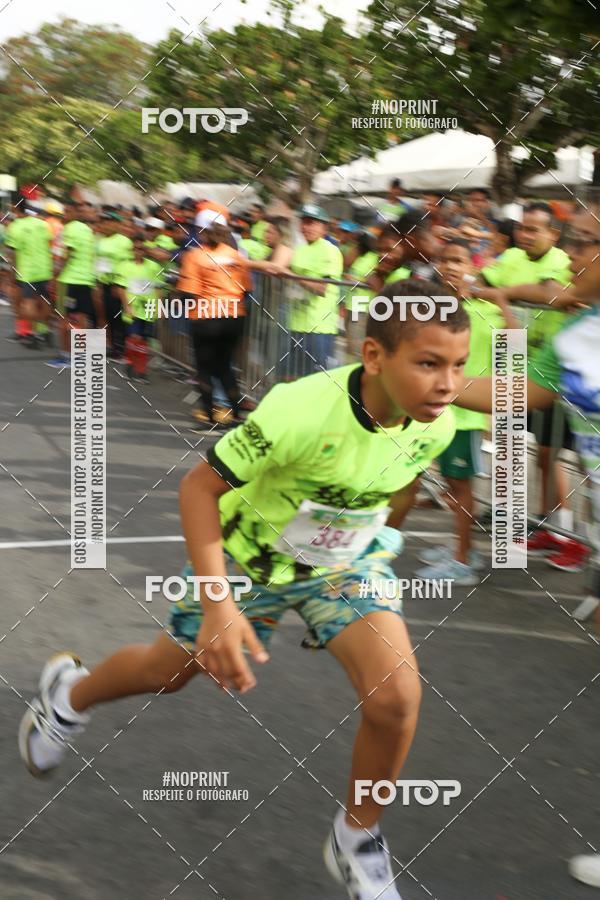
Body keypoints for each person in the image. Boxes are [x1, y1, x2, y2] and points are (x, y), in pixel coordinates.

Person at [19, 278, 472, 900]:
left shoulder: (436, 421)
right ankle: (68, 697)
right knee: (166, 673)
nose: (447, 384)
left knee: (396, 698)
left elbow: (400, 479)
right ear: (373, 356)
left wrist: (381, 543)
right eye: (429, 364)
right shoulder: (298, 409)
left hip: (344, 566)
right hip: (247, 563)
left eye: (459, 366)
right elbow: (197, 489)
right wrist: (218, 605)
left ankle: (357, 836)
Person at [477, 201, 589, 570]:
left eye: (533, 229)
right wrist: (503, 294)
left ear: (552, 233)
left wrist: (505, 295)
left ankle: (571, 538)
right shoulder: (512, 256)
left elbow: (555, 292)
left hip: (556, 376)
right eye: (521, 228)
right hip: (526, 364)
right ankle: (550, 527)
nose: (524, 235)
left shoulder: (562, 263)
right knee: (538, 454)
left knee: (564, 459)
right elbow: (481, 284)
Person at [414, 239, 517, 585]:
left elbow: (513, 345)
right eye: (445, 260)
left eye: (458, 261)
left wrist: (500, 300)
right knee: (446, 482)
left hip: (466, 415)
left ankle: (463, 560)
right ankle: (462, 548)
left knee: (460, 486)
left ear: (471, 267)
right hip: (433, 407)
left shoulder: (484, 311)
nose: (450, 266)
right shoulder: (433, 306)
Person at [177, 214, 251, 428]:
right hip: (234, 316)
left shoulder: (195, 256)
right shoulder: (237, 256)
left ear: (203, 233)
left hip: (206, 316)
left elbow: (188, 293)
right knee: (225, 366)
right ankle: (236, 416)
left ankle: (209, 417)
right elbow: (246, 290)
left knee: (204, 369)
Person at [284, 204, 344, 376]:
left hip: (319, 327)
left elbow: (321, 288)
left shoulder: (330, 251)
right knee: (293, 376)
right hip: (295, 323)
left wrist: (292, 276)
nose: (306, 227)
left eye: (312, 223)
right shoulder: (300, 249)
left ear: (324, 227)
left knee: (317, 379)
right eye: (304, 222)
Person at [46, 201, 97, 369]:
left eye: (67, 211)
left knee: (63, 319)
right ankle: (79, 357)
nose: (64, 214)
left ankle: (66, 356)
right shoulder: (87, 230)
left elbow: (65, 256)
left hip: (69, 280)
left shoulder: (69, 229)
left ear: (75, 212)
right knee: (81, 320)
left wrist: (54, 277)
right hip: (85, 280)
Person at [4, 203, 52, 348]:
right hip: (44, 270)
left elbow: (12, 254)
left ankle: (33, 335)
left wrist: (12, 274)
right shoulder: (42, 224)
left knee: (28, 304)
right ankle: (45, 332)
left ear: (15, 208)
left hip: (27, 272)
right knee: (44, 302)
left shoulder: (15, 226)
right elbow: (49, 244)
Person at [117, 234, 162, 383]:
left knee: (143, 342)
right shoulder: (124, 266)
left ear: (145, 250)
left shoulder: (153, 267)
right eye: (135, 248)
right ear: (132, 250)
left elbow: (158, 288)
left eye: (141, 248)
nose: (138, 251)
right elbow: (121, 288)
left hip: (149, 308)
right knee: (134, 338)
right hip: (133, 308)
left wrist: (160, 306)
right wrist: (126, 306)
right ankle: (131, 365)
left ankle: (141, 371)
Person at [95, 212, 134, 360]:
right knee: (108, 315)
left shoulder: (124, 241)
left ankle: (122, 347)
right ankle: (113, 346)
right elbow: (99, 262)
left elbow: (126, 264)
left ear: (116, 224)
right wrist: (99, 282)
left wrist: (119, 283)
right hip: (105, 282)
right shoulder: (101, 241)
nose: (105, 225)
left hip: (119, 285)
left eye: (108, 222)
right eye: (103, 222)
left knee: (121, 317)